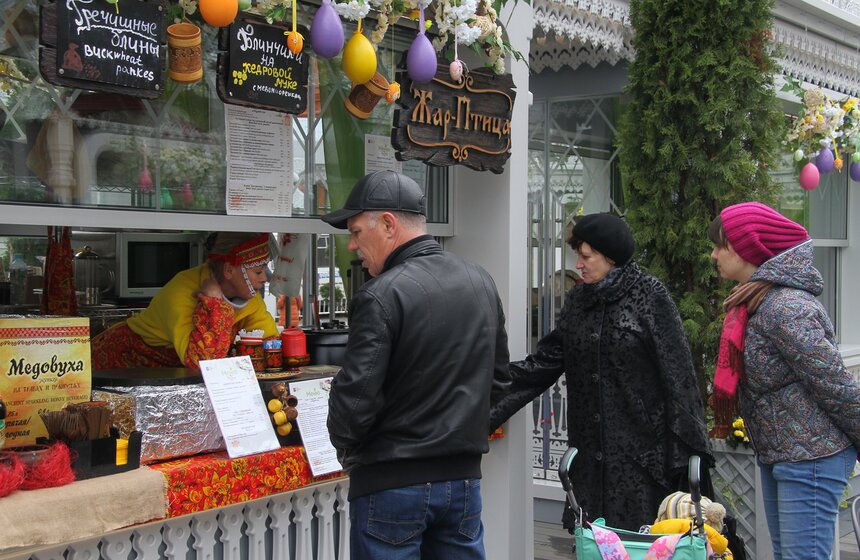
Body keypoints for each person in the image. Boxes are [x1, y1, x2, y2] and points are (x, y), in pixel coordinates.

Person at [320, 170, 511, 560]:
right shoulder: (481, 281)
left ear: (388, 224)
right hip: (463, 483)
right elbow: (500, 384)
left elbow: (354, 405)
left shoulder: (379, 296)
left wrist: (351, 452)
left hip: (391, 485)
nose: (353, 245)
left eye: (356, 231)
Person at [490, 212, 712, 532]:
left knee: (640, 547)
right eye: (577, 256)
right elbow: (547, 362)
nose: (578, 264)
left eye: (585, 256)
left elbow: (679, 378)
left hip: (643, 465)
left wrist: (687, 459)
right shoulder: (579, 299)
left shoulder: (651, 296)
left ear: (610, 257)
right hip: (589, 463)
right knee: (591, 544)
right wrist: (485, 388)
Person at [708, 202, 860, 560]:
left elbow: (835, 385)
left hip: (812, 458)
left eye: (720, 245)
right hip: (785, 454)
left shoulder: (786, 308)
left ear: (747, 248)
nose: (713, 254)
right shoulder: (755, 301)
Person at [91, 232, 278, 370]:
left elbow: (272, 343)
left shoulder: (250, 298)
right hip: (124, 361)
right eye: (258, 272)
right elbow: (202, 362)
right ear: (229, 270)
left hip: (171, 372)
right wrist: (213, 302)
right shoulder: (182, 290)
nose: (265, 279)